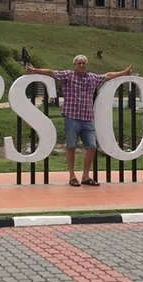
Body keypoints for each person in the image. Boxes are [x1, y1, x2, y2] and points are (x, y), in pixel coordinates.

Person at [26, 55, 132, 187]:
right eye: (79, 63)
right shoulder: (68, 75)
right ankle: (72, 176)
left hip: (87, 118)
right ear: (75, 65)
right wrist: (35, 70)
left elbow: (107, 76)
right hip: (72, 118)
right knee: (71, 146)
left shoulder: (92, 78)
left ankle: (85, 176)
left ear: (86, 65)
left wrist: (123, 73)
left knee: (92, 147)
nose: (81, 65)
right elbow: (51, 73)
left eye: (83, 63)